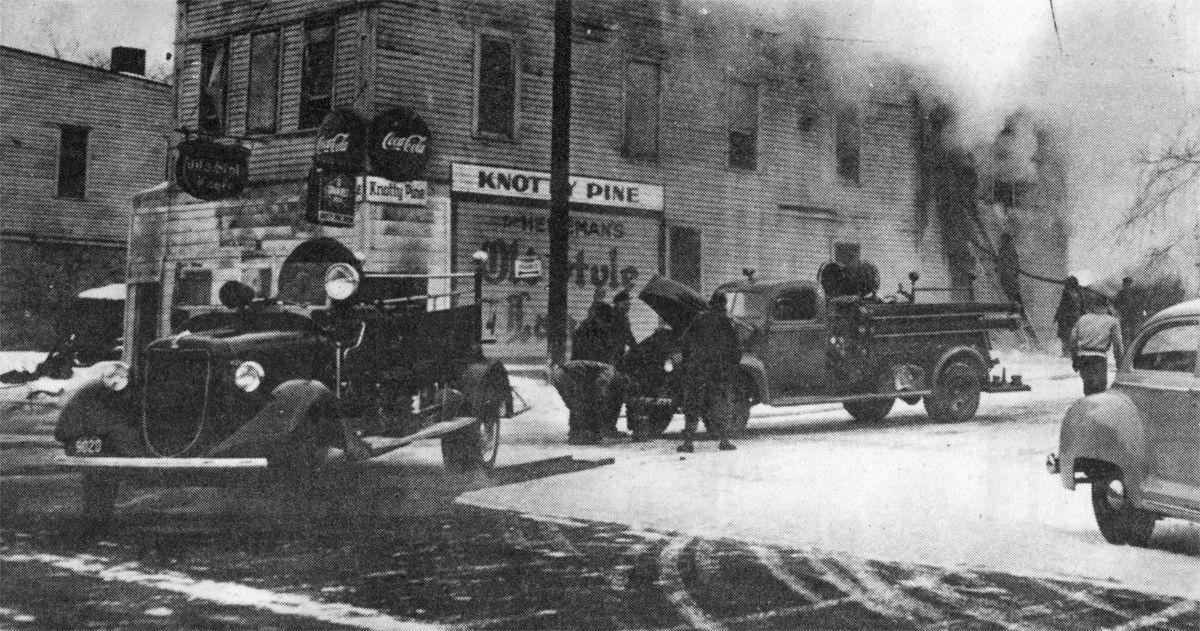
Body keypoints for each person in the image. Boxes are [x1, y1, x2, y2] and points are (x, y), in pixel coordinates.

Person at [677, 291, 740, 453]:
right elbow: (735, 347)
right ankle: (724, 440)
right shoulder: (727, 322)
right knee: (719, 402)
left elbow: (685, 341)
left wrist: (687, 361)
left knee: (693, 403)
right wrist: (731, 366)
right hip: (717, 370)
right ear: (723, 304)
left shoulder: (699, 318)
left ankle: (688, 442)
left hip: (697, 367)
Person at [1069, 294, 1124, 396]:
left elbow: (1072, 341)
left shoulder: (1082, 319)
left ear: (1093, 306)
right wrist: (1120, 366)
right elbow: (1118, 346)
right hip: (1099, 358)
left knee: (1088, 389)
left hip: (1083, 358)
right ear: (1106, 306)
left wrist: (1075, 360)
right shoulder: (1112, 321)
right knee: (1099, 393)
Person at [1055, 276, 1082, 358]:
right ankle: (1069, 353)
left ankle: (1066, 354)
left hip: (1066, 319)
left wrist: (1057, 316)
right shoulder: (1078, 293)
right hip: (1072, 318)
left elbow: (1062, 305)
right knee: (1071, 336)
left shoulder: (1067, 292)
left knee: (1066, 337)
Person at [1112, 276, 1136, 343]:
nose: (1127, 285)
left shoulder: (1133, 293)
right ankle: (1123, 342)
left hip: (1132, 313)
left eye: (1128, 283)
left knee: (1132, 329)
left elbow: (1137, 303)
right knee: (1123, 329)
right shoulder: (1121, 293)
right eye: (1125, 283)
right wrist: (1121, 309)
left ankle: (1132, 341)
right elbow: (1116, 304)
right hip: (1124, 314)